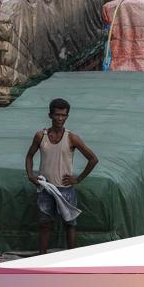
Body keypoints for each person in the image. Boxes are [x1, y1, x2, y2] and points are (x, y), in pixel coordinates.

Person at [25, 98, 99, 254]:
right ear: (50, 115)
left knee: (70, 224)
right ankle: (42, 258)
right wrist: (31, 176)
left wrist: (77, 179)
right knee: (44, 225)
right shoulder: (41, 136)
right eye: (57, 115)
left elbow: (93, 159)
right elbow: (29, 156)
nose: (60, 119)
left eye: (63, 115)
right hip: (46, 188)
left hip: (65, 189)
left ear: (67, 116)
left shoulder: (72, 138)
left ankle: (71, 259)